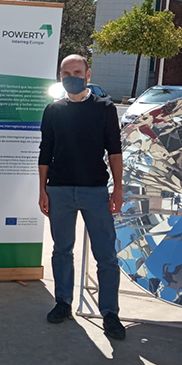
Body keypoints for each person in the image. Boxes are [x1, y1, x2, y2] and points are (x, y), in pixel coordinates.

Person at [38, 54, 126, 339]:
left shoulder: (105, 108)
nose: (71, 76)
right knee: (62, 250)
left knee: (106, 256)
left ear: (88, 74)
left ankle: (110, 313)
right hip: (60, 190)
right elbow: (45, 151)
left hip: (95, 191)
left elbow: (114, 151)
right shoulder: (53, 109)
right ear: (60, 76)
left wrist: (119, 188)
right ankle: (63, 303)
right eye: (65, 73)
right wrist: (42, 189)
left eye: (77, 71)